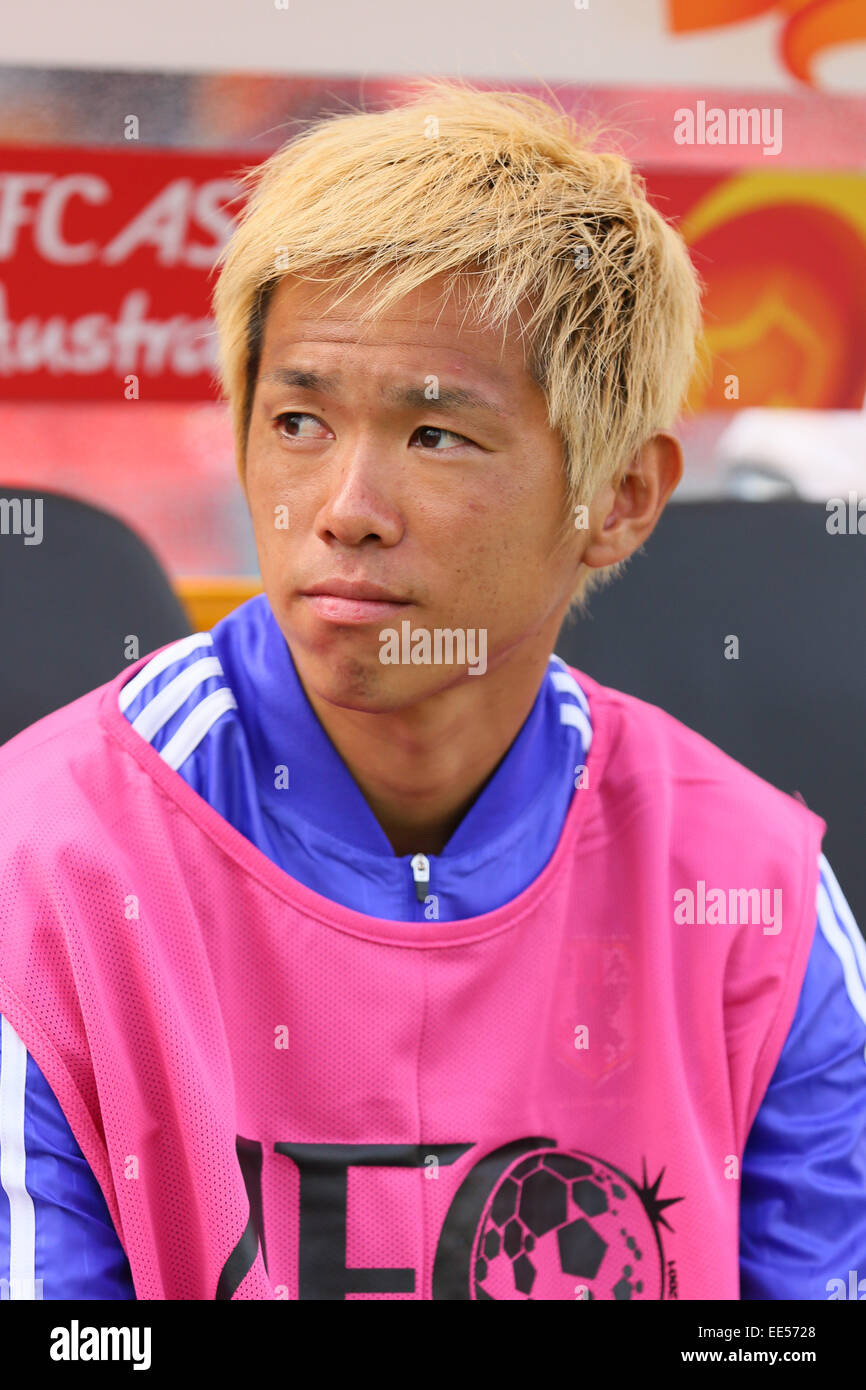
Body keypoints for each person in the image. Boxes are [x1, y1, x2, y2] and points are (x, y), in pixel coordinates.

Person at [1, 79, 864, 1302]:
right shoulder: (46, 870)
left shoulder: (750, 891)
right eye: (297, 419)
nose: (342, 511)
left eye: (434, 435)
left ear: (616, 498)